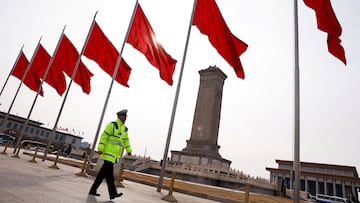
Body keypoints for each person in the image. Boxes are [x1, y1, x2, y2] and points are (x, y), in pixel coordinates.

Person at [89, 109, 132, 200]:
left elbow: (126, 140)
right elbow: (104, 136)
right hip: (108, 153)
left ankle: (93, 190)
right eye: (124, 116)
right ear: (120, 116)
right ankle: (113, 193)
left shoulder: (124, 129)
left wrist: (129, 150)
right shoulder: (112, 125)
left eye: (126, 117)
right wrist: (100, 148)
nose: (125, 118)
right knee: (109, 175)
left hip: (114, 155)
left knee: (103, 174)